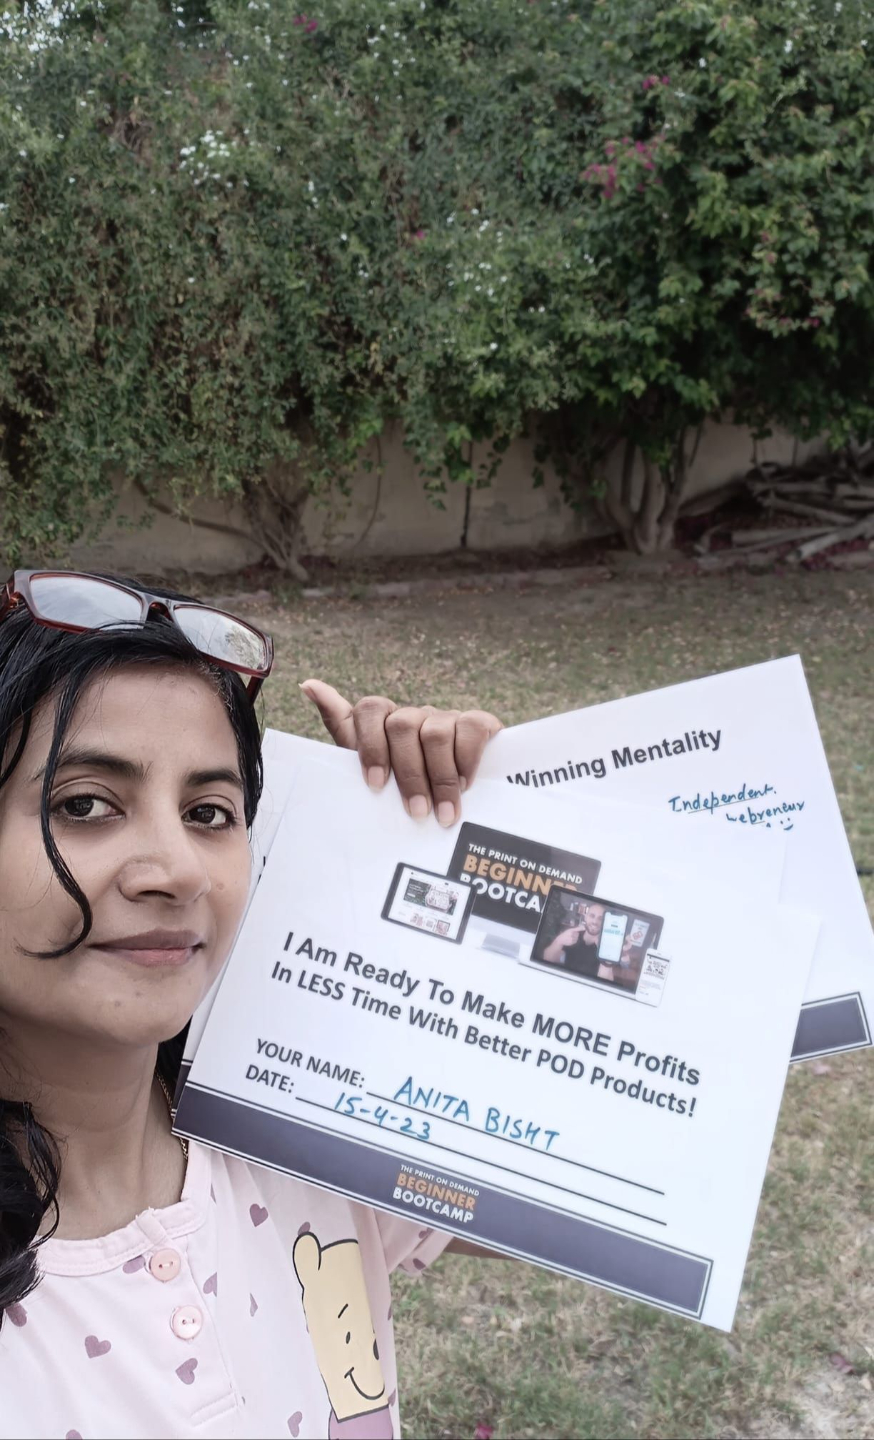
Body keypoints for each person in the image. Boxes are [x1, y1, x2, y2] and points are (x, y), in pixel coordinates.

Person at [0, 569, 504, 1440]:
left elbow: (586, 1207)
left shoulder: (301, 1131)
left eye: (209, 812)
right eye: (85, 805)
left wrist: (470, 829)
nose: (178, 870)